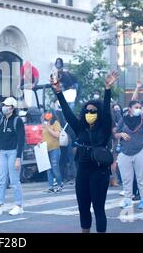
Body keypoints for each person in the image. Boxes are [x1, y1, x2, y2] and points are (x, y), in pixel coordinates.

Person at [51, 70, 119, 233]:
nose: (90, 113)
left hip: (99, 172)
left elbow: (107, 113)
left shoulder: (103, 128)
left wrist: (107, 89)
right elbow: (67, 113)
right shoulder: (80, 127)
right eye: (87, 111)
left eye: (93, 111)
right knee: (83, 208)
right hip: (82, 172)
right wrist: (59, 92)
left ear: (99, 113)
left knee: (98, 209)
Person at [0, 97, 25, 216]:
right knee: (1, 180)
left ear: (12, 108)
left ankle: (18, 205)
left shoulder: (17, 120)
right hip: (2, 152)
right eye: (3, 105)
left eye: (7, 105)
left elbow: (21, 140)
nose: (4, 107)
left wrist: (18, 158)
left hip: (13, 152)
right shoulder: (1, 120)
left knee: (14, 180)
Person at [114, 100, 143, 210]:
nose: (138, 109)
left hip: (141, 150)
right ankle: (127, 200)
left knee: (141, 177)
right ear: (130, 108)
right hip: (124, 152)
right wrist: (121, 134)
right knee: (126, 178)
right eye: (136, 107)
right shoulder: (123, 119)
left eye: (140, 107)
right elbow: (115, 134)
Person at [42, 111, 63, 193]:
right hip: (45, 150)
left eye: (49, 113)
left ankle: (59, 184)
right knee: (48, 169)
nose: (47, 115)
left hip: (54, 149)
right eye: (46, 113)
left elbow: (57, 135)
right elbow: (42, 136)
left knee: (55, 168)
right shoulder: (44, 124)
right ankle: (50, 186)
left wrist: (47, 128)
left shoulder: (56, 123)